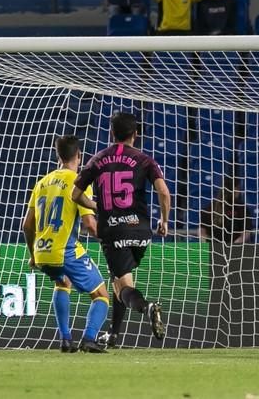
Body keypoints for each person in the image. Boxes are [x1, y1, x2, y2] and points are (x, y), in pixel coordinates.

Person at [72, 112, 172, 348]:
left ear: (111, 133)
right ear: (135, 135)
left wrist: (97, 205)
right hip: (141, 232)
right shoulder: (145, 159)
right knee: (121, 278)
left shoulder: (97, 160)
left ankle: (146, 307)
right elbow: (164, 192)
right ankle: (114, 334)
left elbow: (75, 195)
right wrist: (165, 221)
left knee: (123, 287)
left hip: (114, 232)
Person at [22, 135, 109, 353]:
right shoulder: (79, 181)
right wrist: (110, 239)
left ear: (58, 156)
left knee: (63, 283)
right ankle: (89, 338)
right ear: (79, 156)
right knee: (101, 295)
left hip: (42, 252)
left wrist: (33, 254)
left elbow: (26, 225)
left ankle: (65, 340)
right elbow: (90, 224)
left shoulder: (42, 183)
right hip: (65, 250)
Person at [200, 175, 252, 244]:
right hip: (217, 248)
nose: (239, 191)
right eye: (238, 189)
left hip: (233, 248)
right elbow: (202, 231)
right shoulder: (211, 207)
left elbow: (246, 233)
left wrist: (234, 245)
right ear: (235, 189)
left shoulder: (241, 208)